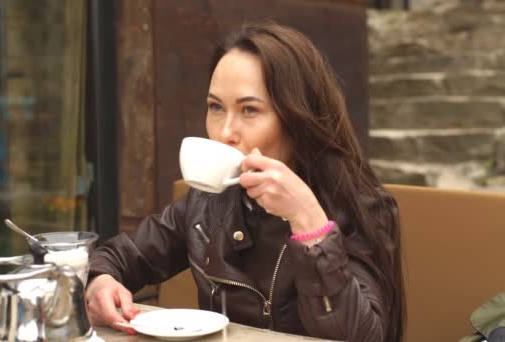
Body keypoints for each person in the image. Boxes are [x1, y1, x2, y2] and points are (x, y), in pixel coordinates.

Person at [86, 22, 405, 342]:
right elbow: (119, 258)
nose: (225, 132)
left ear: (297, 119)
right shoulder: (208, 202)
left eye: (249, 109)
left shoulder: (361, 206)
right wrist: (101, 281)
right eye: (215, 107)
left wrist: (308, 222)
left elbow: (364, 336)